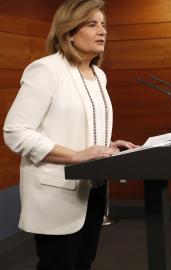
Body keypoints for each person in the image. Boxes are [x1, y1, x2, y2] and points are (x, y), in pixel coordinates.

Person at [3, 0, 138, 269]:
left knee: (83, 263)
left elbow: (78, 127)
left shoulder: (99, 75)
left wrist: (107, 146)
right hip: (57, 192)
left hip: (94, 191)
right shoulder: (46, 70)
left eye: (103, 24)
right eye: (92, 24)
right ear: (69, 33)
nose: (103, 31)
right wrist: (77, 155)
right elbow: (15, 132)